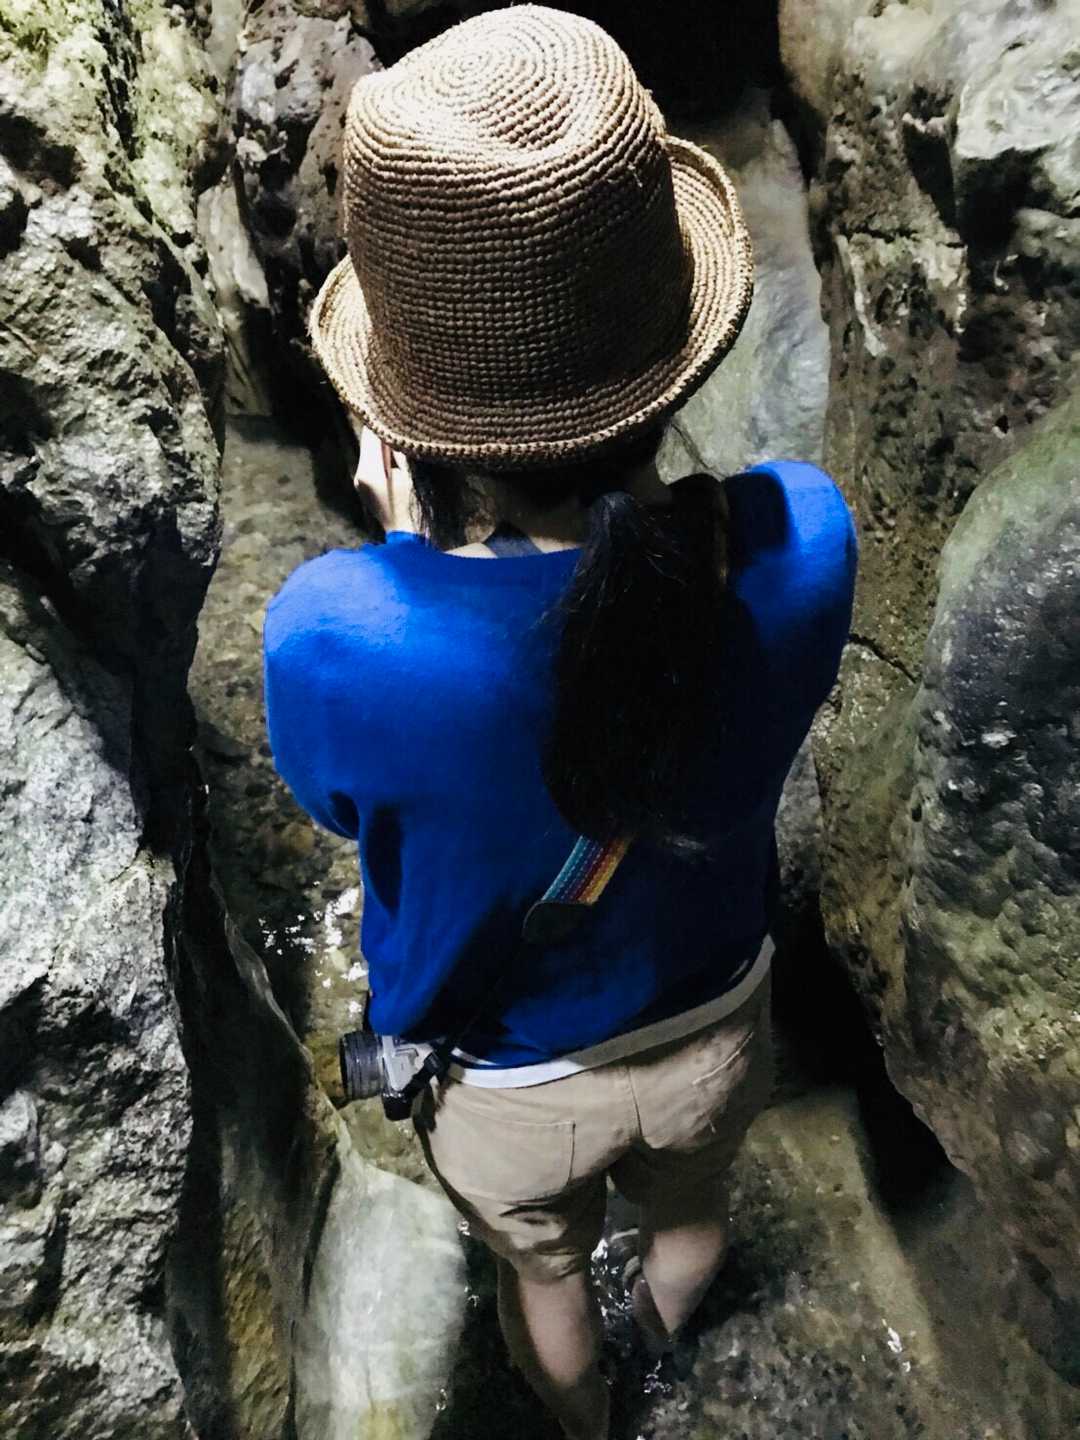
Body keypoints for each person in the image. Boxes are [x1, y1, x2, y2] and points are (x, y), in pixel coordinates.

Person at [262, 8, 857, 1439]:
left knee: (540, 1277)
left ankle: (595, 1424)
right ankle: (661, 1349)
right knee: (691, 1222)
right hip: (717, 1026)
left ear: (405, 426)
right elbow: (655, 594)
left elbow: (343, 800)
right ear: (677, 353)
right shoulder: (805, 541)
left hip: (511, 1090)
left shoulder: (336, 633)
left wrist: (407, 544)